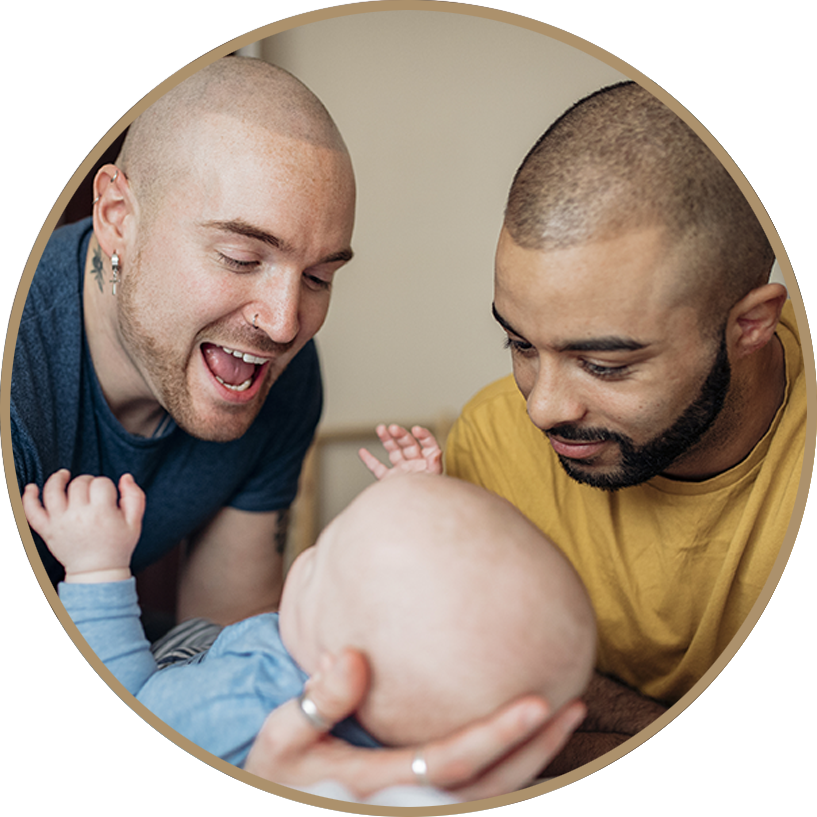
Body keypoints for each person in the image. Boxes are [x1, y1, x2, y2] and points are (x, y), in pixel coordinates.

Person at [11, 55, 590, 797]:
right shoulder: (23, 379)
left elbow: (224, 637)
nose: (286, 323)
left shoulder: (271, 382)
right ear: (119, 217)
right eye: (241, 256)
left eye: (319, 278)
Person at [362, 81, 805, 773]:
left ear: (749, 324)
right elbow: (482, 698)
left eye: (601, 363)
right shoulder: (493, 437)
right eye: (519, 345)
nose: (541, 407)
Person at [22, 467, 595, 798]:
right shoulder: (400, 724)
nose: (311, 550)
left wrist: (97, 569)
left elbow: (126, 709)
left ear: (333, 666)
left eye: (323, 555)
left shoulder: (250, 700)